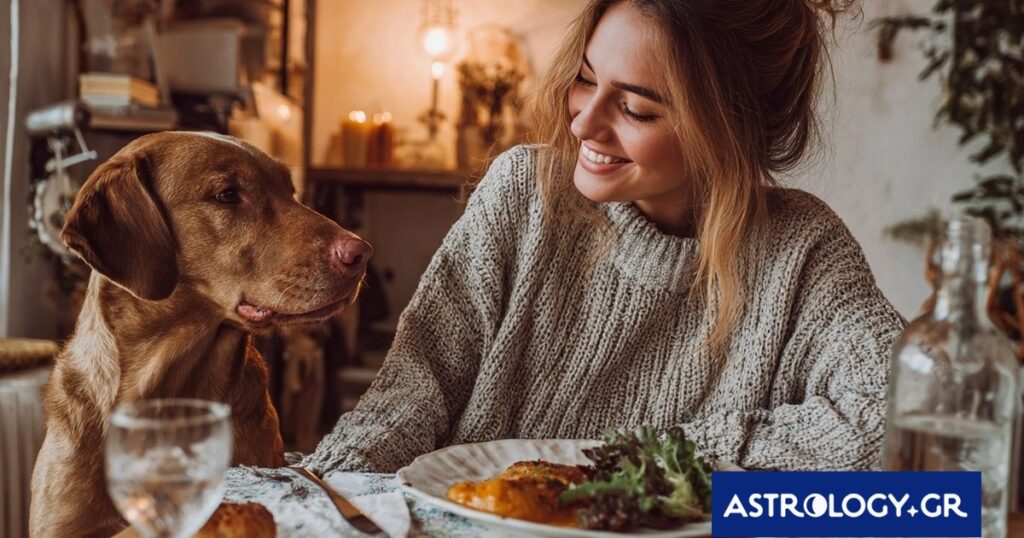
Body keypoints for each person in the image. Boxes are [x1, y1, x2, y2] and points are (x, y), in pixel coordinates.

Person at [304, 0, 904, 474]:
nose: (584, 123)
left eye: (638, 110)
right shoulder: (523, 191)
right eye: (587, 80)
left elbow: (898, 425)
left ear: (733, 129)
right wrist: (325, 497)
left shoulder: (803, 251)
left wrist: (637, 465)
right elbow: (411, 393)